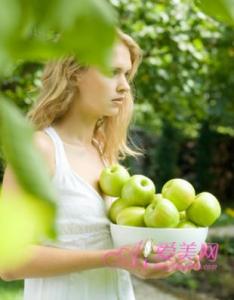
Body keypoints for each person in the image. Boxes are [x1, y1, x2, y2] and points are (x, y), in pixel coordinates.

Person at [0, 29, 201, 300]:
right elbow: (8, 262)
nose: (125, 86)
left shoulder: (104, 153)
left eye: (126, 74)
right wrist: (111, 258)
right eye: (113, 71)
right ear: (74, 73)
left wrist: (166, 252)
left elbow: (112, 245)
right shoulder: (39, 150)